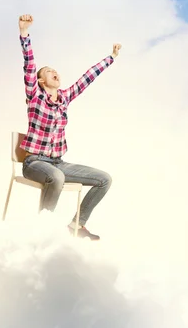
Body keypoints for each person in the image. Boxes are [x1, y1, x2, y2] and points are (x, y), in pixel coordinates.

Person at [17, 14, 120, 240]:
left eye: (56, 70)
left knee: (104, 179)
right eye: (49, 71)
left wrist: (111, 57)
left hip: (58, 163)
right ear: (42, 81)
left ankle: (76, 225)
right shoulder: (35, 95)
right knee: (57, 178)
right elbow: (29, 64)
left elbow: (87, 78)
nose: (56, 72)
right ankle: (42, 230)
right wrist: (24, 33)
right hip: (34, 162)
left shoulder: (65, 97)